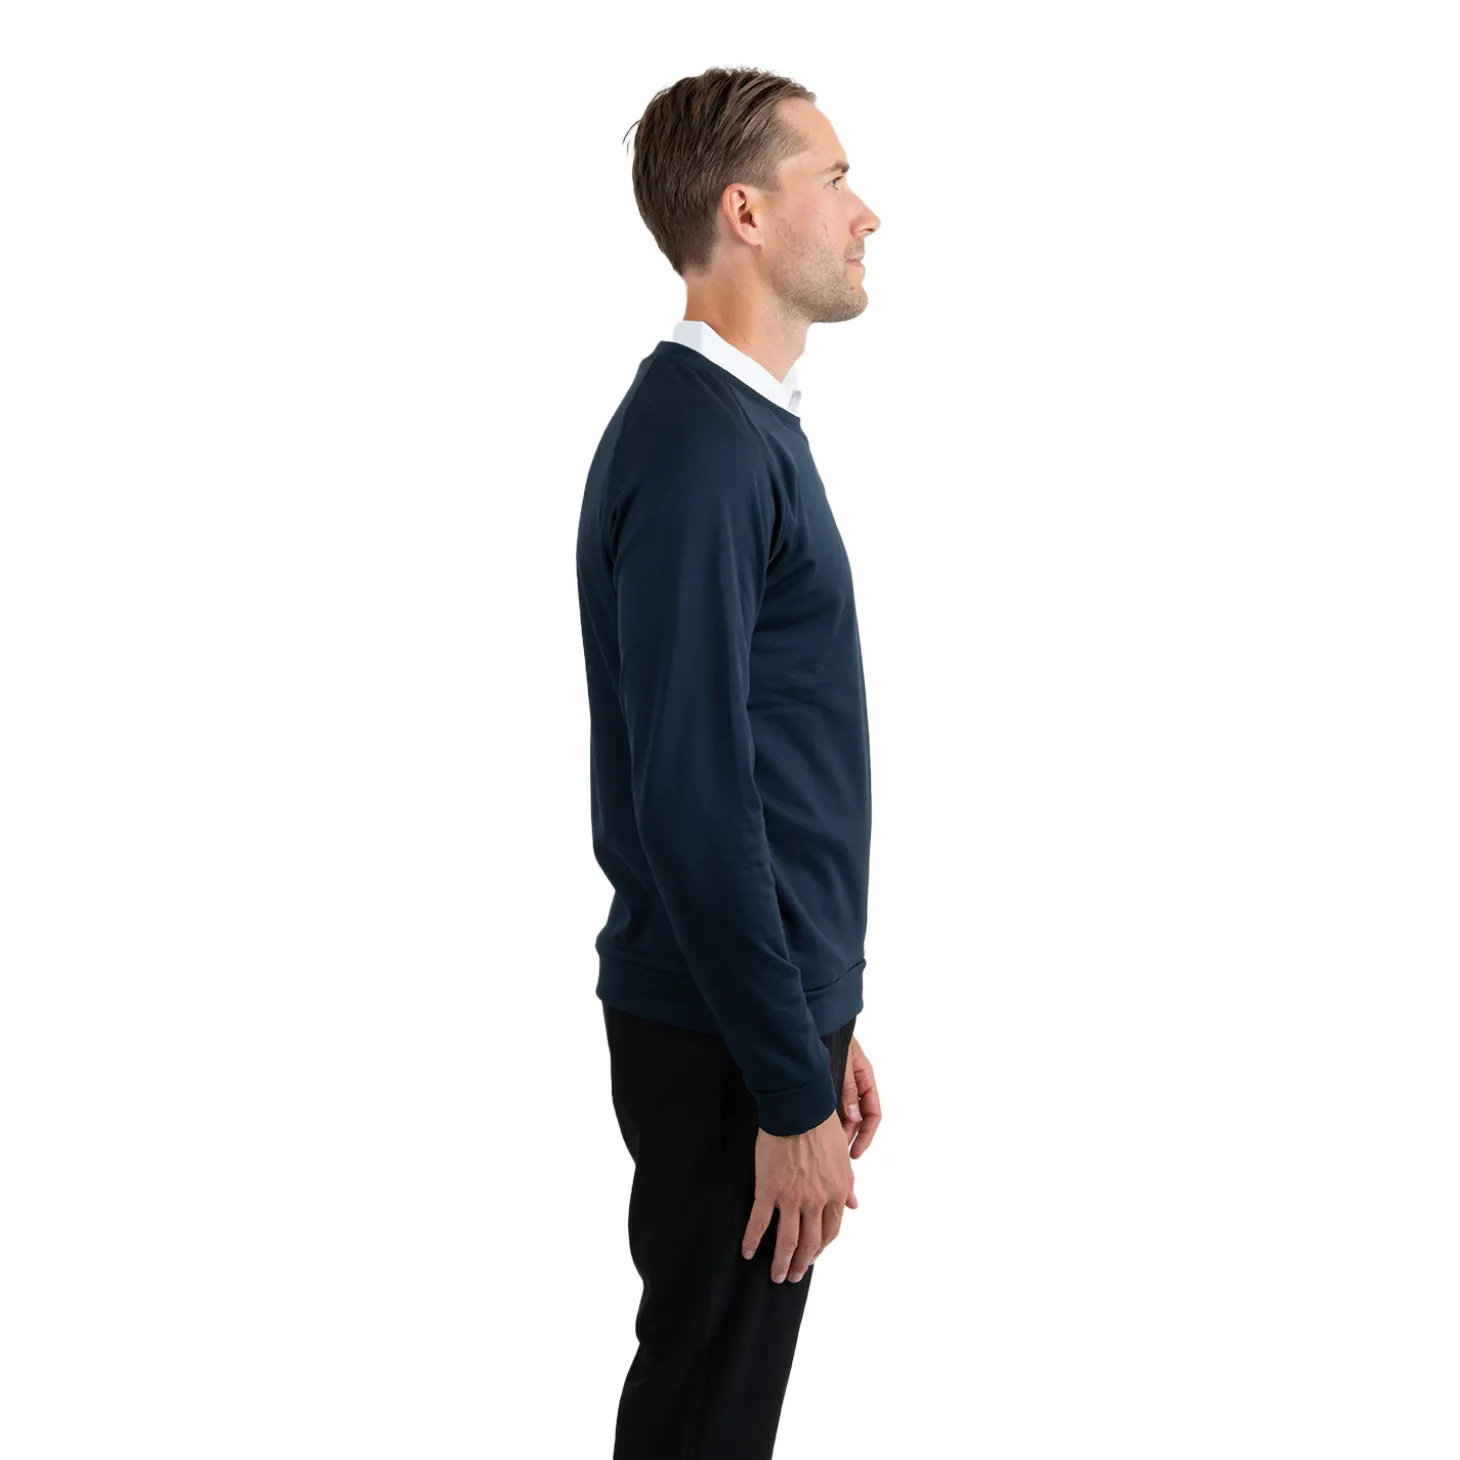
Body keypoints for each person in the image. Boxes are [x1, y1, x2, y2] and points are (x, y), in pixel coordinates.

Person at [575, 65, 884, 1460]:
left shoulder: (738, 429)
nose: (868, 213)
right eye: (837, 178)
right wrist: (782, 1074)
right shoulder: (702, 450)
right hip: (720, 1038)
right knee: (703, 1419)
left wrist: (819, 1014)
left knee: (719, 1409)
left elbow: (762, 766)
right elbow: (694, 808)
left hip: (748, 1020)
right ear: (745, 212)